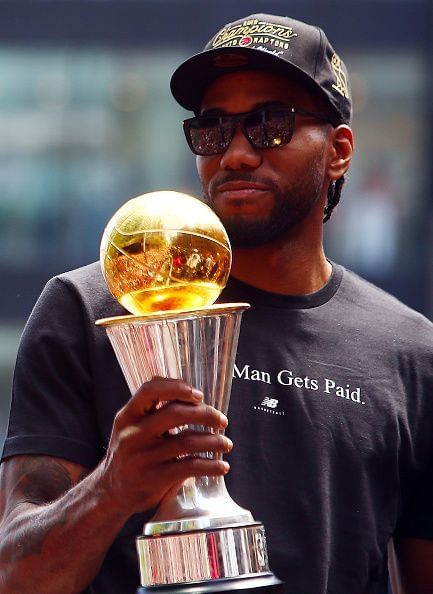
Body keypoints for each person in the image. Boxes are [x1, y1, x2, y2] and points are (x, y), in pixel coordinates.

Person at [1, 12, 433, 594]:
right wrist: (111, 489)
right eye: (212, 128)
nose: (234, 154)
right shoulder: (91, 311)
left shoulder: (410, 353)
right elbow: (16, 577)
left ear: (339, 151)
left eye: (269, 124)